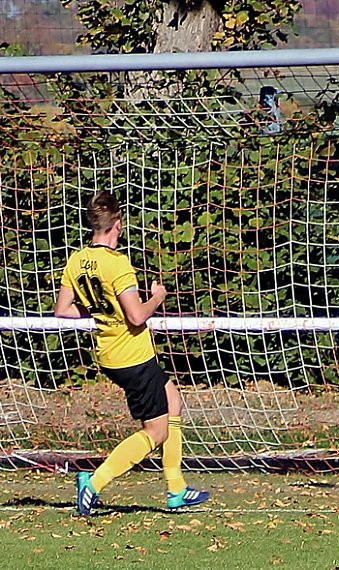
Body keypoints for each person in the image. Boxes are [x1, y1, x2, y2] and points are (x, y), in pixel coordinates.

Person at [53, 191, 209, 515]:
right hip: (132, 358)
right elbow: (137, 316)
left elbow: (62, 309)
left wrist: (100, 313)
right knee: (156, 432)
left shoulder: (76, 260)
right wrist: (157, 297)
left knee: (173, 401)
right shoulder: (117, 264)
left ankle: (176, 488)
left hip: (110, 352)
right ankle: (93, 483)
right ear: (118, 225)